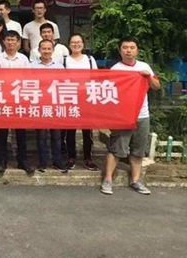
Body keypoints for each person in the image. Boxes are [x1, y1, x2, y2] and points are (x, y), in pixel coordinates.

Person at [101, 38, 160, 195]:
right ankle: (107, 180)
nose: (128, 50)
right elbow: (109, 92)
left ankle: (136, 181)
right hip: (122, 116)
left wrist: (148, 77)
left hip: (142, 115)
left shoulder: (144, 67)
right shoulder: (115, 69)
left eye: (132, 47)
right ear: (120, 51)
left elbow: (156, 86)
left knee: (138, 151)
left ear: (137, 50)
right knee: (116, 149)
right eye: (125, 47)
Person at [0, 31, 33, 175]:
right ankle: (2, 161)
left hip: (19, 100)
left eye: (13, 40)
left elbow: (28, 79)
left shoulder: (23, 59)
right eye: (8, 40)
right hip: (3, 100)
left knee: (20, 132)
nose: (10, 42)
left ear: (18, 43)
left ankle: (22, 160)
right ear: (4, 42)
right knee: (2, 133)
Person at [62, 33, 99, 171]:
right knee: (70, 130)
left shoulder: (89, 59)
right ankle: (71, 157)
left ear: (83, 44)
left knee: (87, 130)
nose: (76, 44)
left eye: (78, 42)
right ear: (69, 45)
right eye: (73, 42)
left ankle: (88, 158)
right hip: (70, 97)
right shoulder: (65, 60)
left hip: (86, 98)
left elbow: (96, 77)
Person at [31, 39, 67, 173]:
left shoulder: (59, 67)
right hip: (39, 104)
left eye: (48, 49)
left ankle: (57, 161)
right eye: (43, 49)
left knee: (56, 135)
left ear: (53, 50)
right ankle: (43, 162)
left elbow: (63, 84)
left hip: (55, 104)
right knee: (41, 135)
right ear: (39, 50)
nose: (46, 51)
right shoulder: (32, 66)